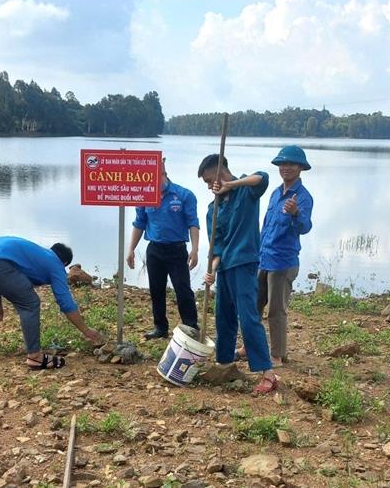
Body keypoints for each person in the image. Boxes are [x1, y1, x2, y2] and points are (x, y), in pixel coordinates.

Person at [198, 153, 279, 394]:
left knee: (248, 317)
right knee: (223, 316)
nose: (210, 186)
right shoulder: (214, 208)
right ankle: (224, 362)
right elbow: (218, 247)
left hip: (244, 262)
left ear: (222, 171)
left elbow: (262, 178)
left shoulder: (246, 190)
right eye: (206, 183)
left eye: (210, 180)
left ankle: (267, 372)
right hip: (224, 267)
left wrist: (230, 185)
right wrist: (211, 270)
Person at [0, 236, 105, 369]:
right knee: (30, 304)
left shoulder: (40, 253)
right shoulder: (55, 265)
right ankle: (34, 356)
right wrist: (86, 330)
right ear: (64, 263)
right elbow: (65, 302)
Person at [248, 145, 313, 367]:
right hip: (264, 257)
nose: (286, 167)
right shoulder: (275, 193)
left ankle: (277, 355)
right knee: (254, 305)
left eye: (291, 164)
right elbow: (266, 226)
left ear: (300, 168)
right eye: (282, 164)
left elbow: (305, 227)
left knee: (276, 310)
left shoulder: (303, 197)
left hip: (283, 262)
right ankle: (250, 345)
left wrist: (296, 213)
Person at [127, 158, 200, 339]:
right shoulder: (144, 196)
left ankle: (191, 327)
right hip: (154, 250)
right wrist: (130, 249)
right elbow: (139, 223)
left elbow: (193, 223)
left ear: (164, 174)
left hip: (177, 250)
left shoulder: (184, 195)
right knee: (156, 290)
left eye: (155, 177)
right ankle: (160, 328)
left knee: (183, 289)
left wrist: (195, 250)